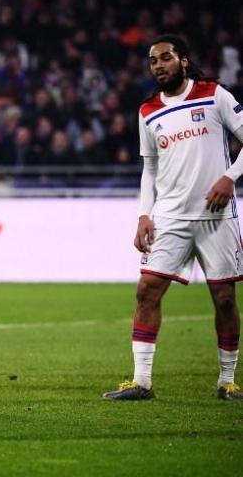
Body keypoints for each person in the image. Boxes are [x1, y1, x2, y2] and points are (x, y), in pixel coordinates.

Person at [104, 35, 243, 401]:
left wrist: (230, 177)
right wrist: (144, 215)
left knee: (225, 298)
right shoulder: (148, 111)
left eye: (165, 58)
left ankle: (227, 381)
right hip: (170, 218)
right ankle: (141, 382)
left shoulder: (214, 95)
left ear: (183, 60)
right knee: (147, 290)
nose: (158, 66)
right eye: (153, 61)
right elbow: (149, 167)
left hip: (215, 216)